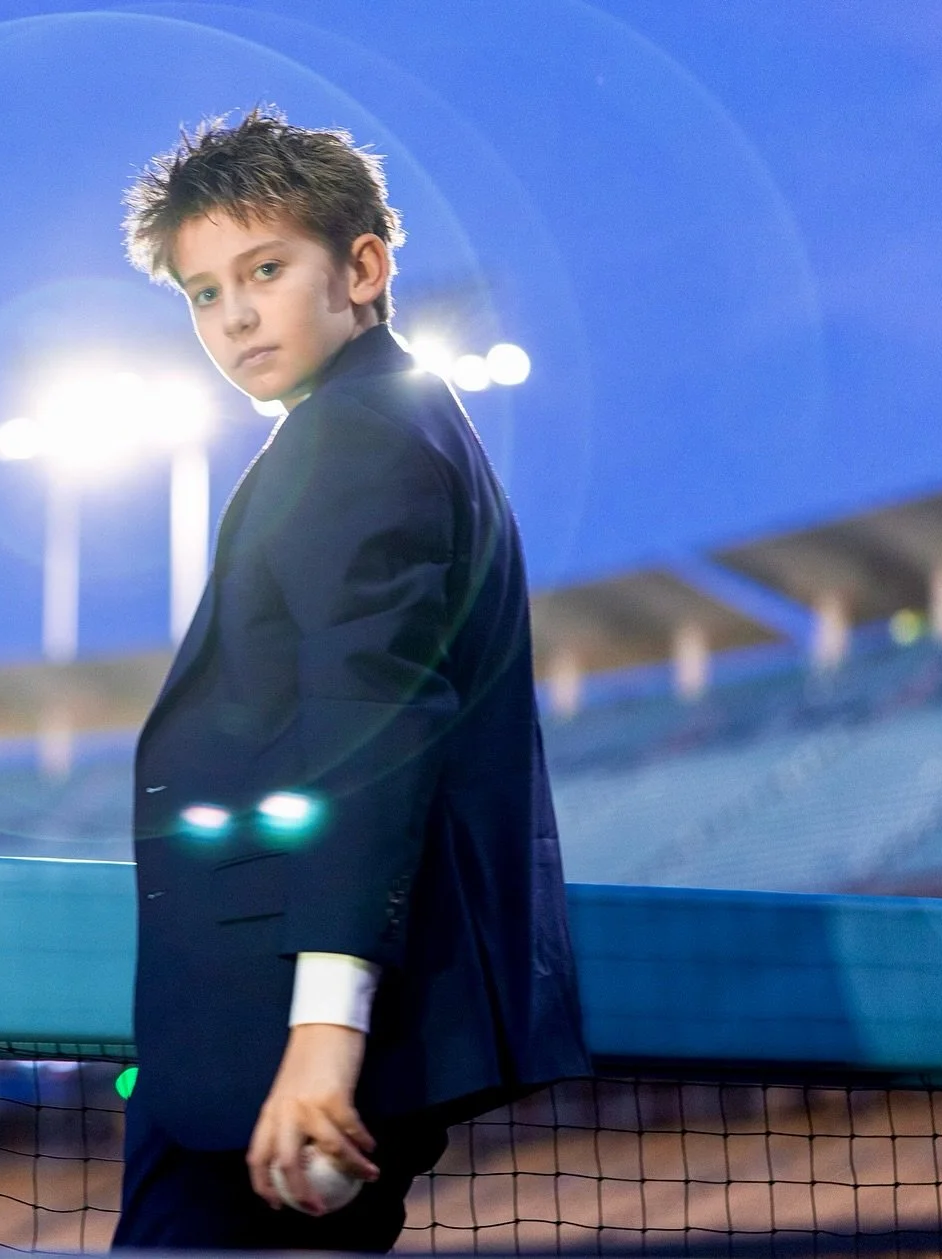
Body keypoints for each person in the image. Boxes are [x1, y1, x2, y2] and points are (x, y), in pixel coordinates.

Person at [113, 105, 589, 1252]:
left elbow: (370, 730)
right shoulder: (400, 417)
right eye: (203, 291)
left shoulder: (358, 434)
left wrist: (323, 1038)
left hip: (286, 1053)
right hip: (276, 1049)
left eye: (265, 269)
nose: (233, 314)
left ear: (364, 266)